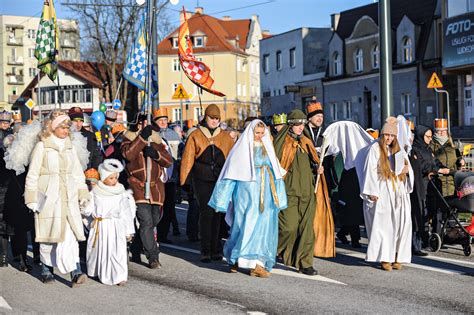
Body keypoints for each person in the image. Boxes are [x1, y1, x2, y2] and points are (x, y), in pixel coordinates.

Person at [208, 120, 287, 277]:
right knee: (245, 223)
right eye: (256, 133)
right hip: (247, 191)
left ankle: (257, 264)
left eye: (261, 133)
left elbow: (276, 172)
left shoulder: (268, 148)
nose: (259, 136)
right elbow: (230, 174)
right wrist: (221, 199)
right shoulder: (242, 150)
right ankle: (238, 259)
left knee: (263, 226)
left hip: (266, 193)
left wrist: (279, 196)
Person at [25, 111, 90, 286]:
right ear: (53, 128)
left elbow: (77, 173)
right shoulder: (42, 147)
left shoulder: (70, 147)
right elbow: (32, 175)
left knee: (70, 236)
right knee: (49, 237)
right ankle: (47, 271)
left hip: (68, 197)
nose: (66, 130)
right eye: (62, 127)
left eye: (67, 127)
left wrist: (82, 192)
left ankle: (76, 272)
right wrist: (32, 197)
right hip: (50, 198)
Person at [180, 104, 234, 262]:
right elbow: (188, 158)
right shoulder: (196, 135)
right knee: (206, 214)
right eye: (212, 118)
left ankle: (216, 248)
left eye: (217, 118)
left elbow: (232, 159)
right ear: (205, 117)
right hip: (201, 179)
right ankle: (205, 249)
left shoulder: (225, 137)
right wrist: (185, 180)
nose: (214, 121)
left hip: (219, 179)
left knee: (218, 214)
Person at [121, 110, 173, 269]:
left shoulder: (157, 140)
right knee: (146, 222)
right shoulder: (128, 138)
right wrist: (142, 138)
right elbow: (128, 154)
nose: (145, 125)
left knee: (153, 221)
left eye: (147, 122)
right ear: (137, 124)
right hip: (137, 186)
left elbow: (168, 161)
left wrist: (156, 154)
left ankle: (136, 247)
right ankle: (153, 257)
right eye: (142, 122)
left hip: (156, 188)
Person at [361, 117, 413, 271]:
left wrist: (406, 170)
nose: (389, 139)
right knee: (384, 226)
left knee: (400, 224)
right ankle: (384, 257)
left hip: (398, 190)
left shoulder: (399, 150)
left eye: (392, 136)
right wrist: (371, 191)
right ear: (382, 135)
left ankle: (398, 255)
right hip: (383, 189)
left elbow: (407, 167)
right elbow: (369, 171)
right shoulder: (375, 149)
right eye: (387, 135)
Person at [273, 109, 321, 275]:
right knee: (289, 227)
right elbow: (277, 166)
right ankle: (274, 249)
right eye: (298, 124)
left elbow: (313, 163)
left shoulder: (307, 142)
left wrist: (317, 168)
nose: (301, 127)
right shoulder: (283, 142)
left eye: (303, 124)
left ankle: (305, 263)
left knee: (307, 230)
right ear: (291, 125)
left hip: (308, 193)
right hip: (289, 193)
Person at [82, 159, 136, 286]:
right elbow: (88, 210)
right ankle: (99, 272)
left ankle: (120, 276)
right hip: (101, 226)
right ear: (104, 178)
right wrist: (84, 202)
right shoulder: (95, 192)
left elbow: (126, 212)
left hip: (116, 227)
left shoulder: (120, 192)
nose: (114, 181)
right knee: (101, 251)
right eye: (111, 178)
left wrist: (128, 231)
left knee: (118, 252)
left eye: (116, 178)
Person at [410, 125, 450, 256]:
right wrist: (436, 170)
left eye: (430, 136)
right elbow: (422, 166)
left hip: (430, 186)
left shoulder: (428, 150)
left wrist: (446, 169)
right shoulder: (414, 150)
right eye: (427, 136)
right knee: (418, 214)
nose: (429, 139)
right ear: (421, 136)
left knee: (428, 213)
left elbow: (435, 162)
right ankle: (415, 245)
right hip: (419, 185)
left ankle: (425, 241)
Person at [428, 118, 463, 233]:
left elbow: (458, 161)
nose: (442, 133)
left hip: (452, 183)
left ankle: (451, 234)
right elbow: (430, 163)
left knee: (451, 210)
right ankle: (437, 234)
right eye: (439, 131)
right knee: (438, 211)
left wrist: (460, 162)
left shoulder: (452, 145)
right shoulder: (431, 145)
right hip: (438, 182)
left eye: (444, 130)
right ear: (435, 132)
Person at [154, 108, 182, 243]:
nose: (164, 122)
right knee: (157, 208)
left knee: (169, 208)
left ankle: (164, 235)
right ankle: (155, 234)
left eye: (165, 120)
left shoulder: (173, 135)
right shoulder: (153, 135)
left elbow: (179, 155)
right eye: (161, 120)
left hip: (171, 178)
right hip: (157, 178)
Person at [0, 110, 13, 267]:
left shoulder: (12, 135)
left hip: (9, 180)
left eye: (6, 121)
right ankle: (2, 255)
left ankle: (6, 255)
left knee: (6, 221)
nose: (4, 124)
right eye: (2, 121)